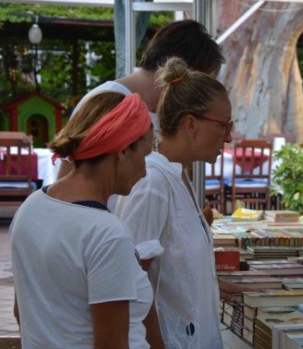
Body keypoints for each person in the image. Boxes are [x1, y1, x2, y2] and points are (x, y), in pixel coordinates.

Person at [11, 92, 161, 348]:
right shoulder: (105, 233)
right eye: (145, 155)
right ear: (122, 150)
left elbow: (21, 311)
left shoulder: (32, 206)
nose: (145, 170)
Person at [114, 57, 232, 348]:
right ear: (191, 124)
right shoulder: (153, 182)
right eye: (223, 126)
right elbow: (131, 286)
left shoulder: (178, 176)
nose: (228, 137)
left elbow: (175, 273)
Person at [58, 20, 224, 179]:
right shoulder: (108, 101)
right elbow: (67, 178)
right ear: (182, 71)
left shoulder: (164, 110)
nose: (200, 95)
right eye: (201, 85)